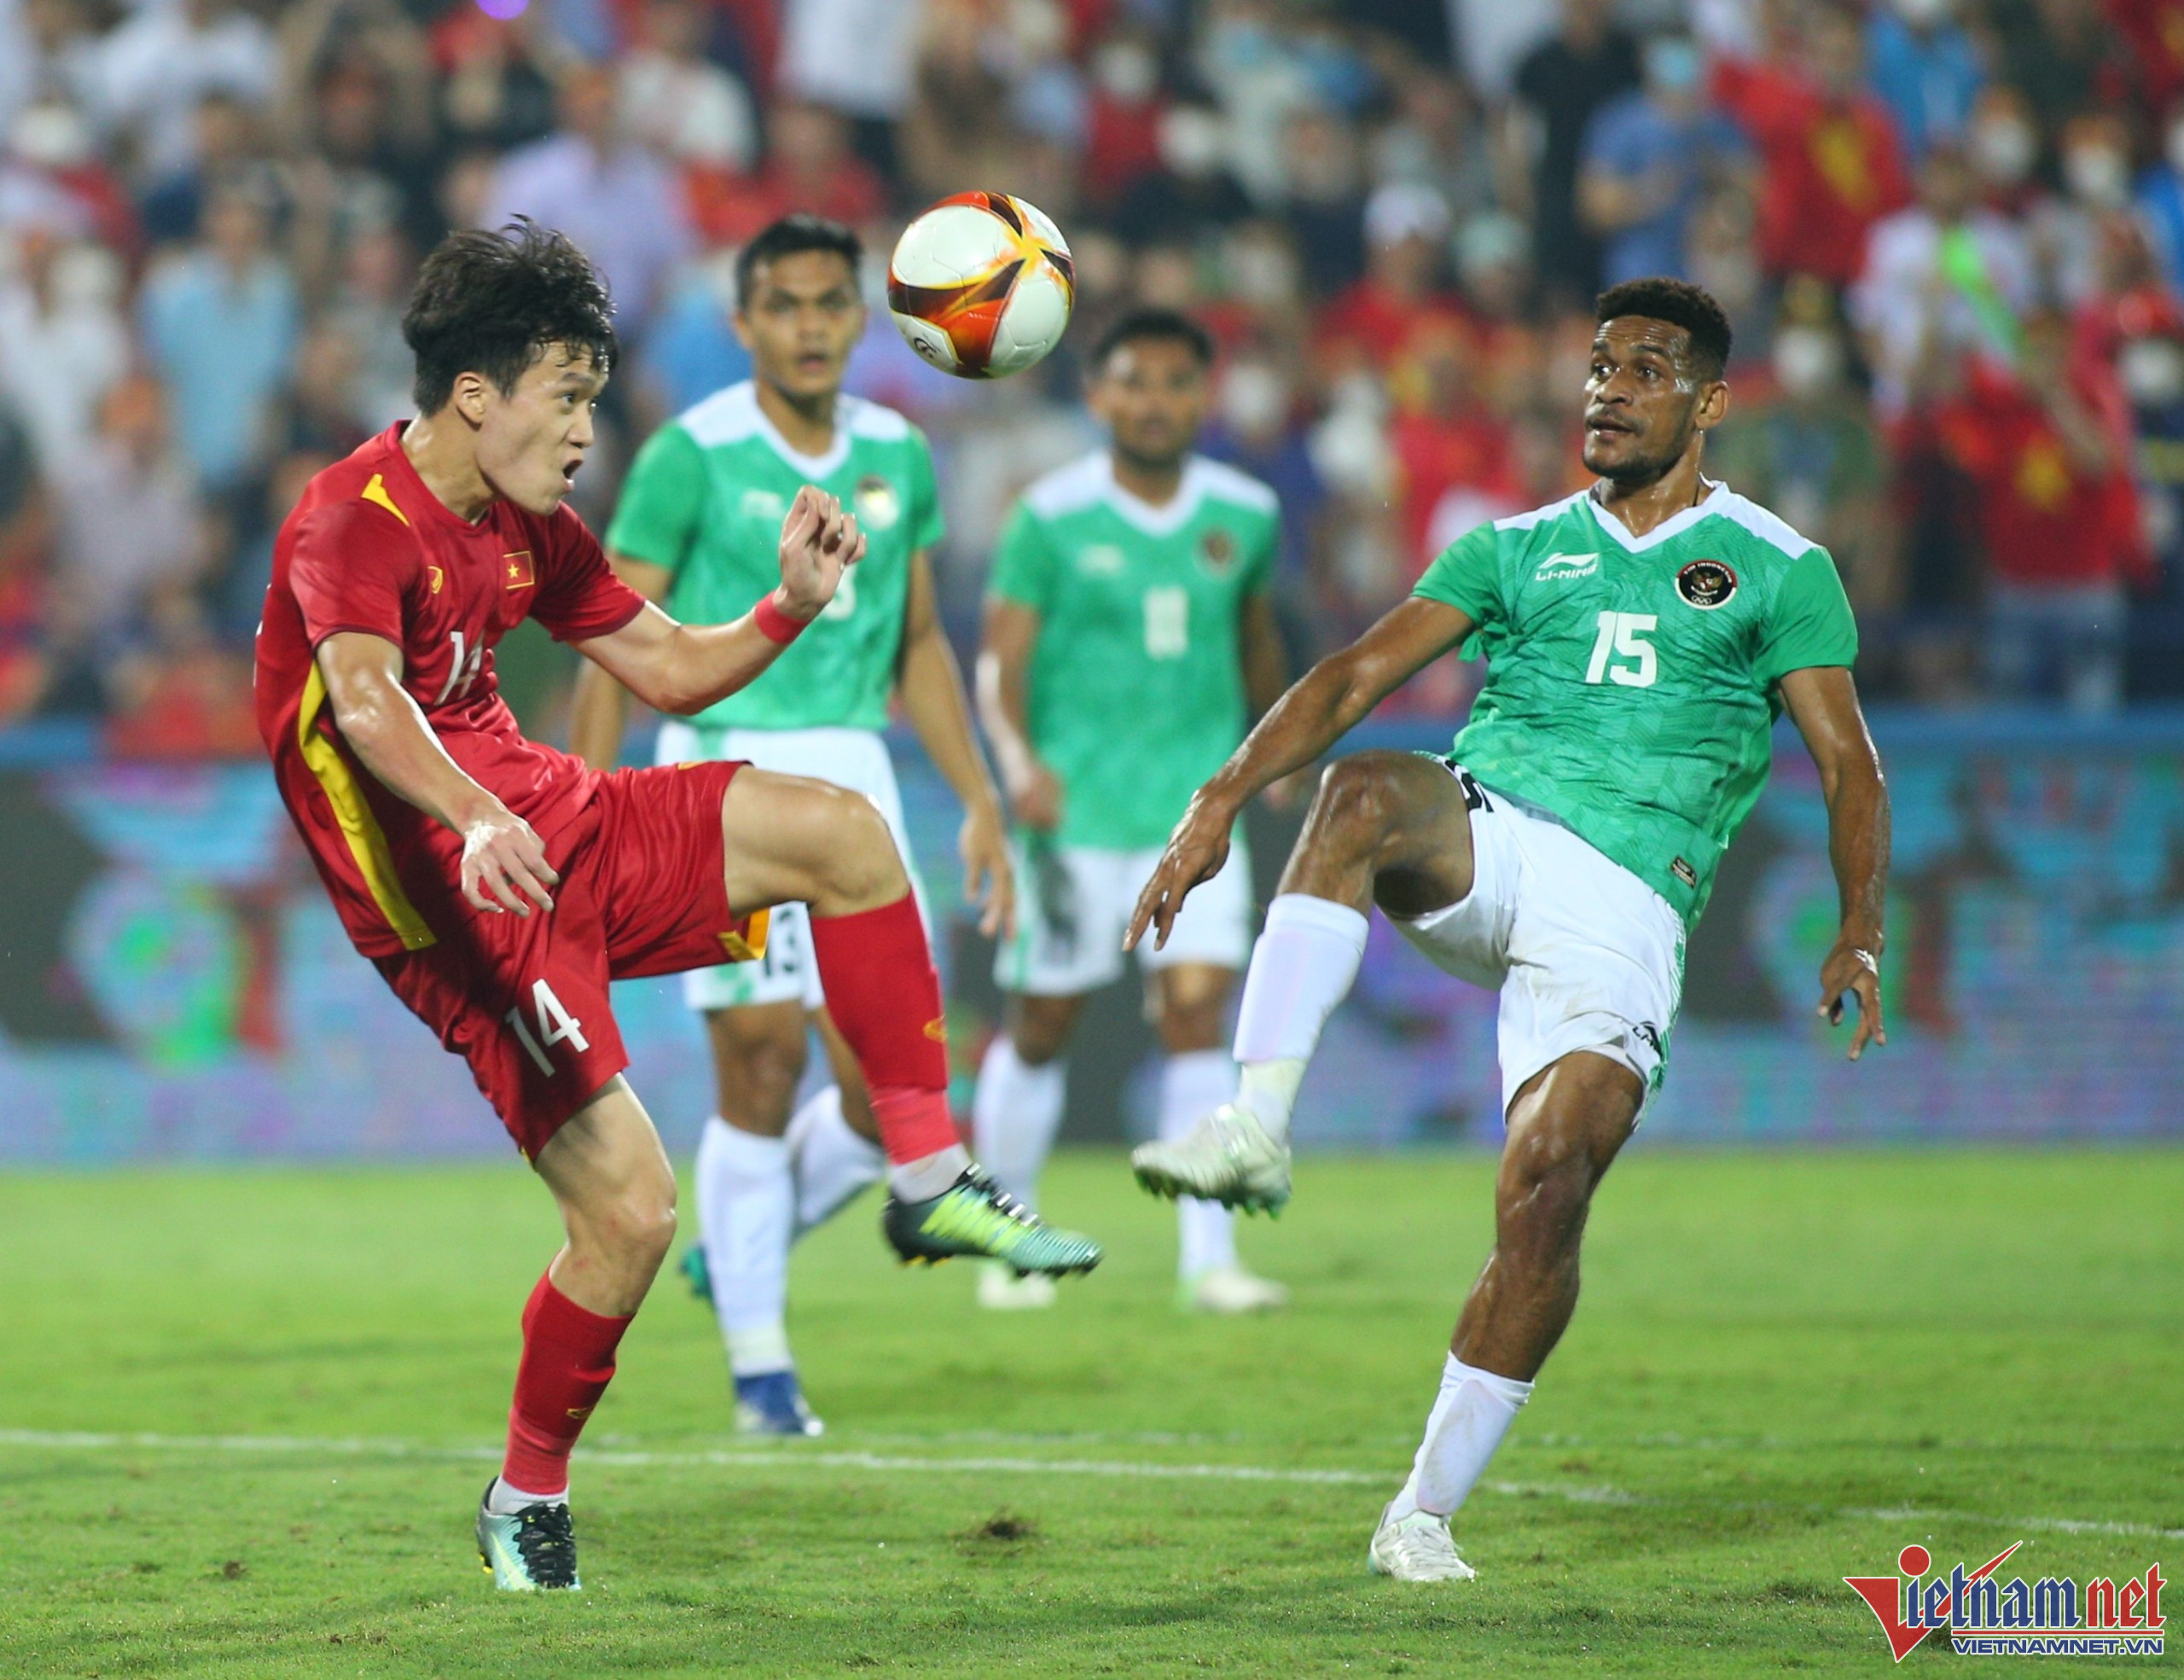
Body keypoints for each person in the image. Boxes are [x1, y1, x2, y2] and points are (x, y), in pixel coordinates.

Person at [253, 221, 1099, 1595]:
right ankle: (525, 1493)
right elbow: (362, 705)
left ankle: (931, 1176)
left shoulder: (531, 524)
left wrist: (787, 608)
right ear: (478, 392)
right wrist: (472, 816)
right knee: (634, 1219)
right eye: (569, 395)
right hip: (455, 905)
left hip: (544, 818)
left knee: (847, 836)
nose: (591, 428)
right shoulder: (352, 516)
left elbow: (665, 665)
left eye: (595, 395)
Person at [1125, 278, 1889, 1581]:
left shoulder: (1779, 568)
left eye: (1646, 368)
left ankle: (1419, 1510)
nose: (1609, 387)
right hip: (1492, 838)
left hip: (1632, 909)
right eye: (1599, 364)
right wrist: (1215, 803)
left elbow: (1850, 764)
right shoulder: (1516, 548)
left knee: (1546, 1197)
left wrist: (1860, 928)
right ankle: (1256, 1124)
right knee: (1361, 787)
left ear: (1708, 403)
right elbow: (1356, 676)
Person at [568, 213, 1019, 1436]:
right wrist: (586, 811)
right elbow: (614, 639)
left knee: (889, 1092)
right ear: (745, 323)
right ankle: (764, 1370)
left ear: (863, 320)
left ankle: (743, 1245)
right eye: (787, 305)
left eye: (833, 304)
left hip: (857, 785)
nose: (812, 326)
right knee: (760, 1068)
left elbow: (921, 640)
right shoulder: (691, 454)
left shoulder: (900, 452)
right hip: (724, 771)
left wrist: (978, 799)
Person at [970, 307, 1291, 1315]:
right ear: (1098, 395)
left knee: (1197, 1015)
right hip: (1069, 816)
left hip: (1193, 816)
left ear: (1203, 395)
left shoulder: (1244, 512)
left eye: (1174, 382)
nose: (1154, 401)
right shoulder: (1049, 515)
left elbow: (1255, 644)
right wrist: (1018, 760)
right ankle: (1007, 1234)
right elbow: (997, 666)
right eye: (1133, 382)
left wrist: (1268, 756)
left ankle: (1209, 1261)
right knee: (1041, 1022)